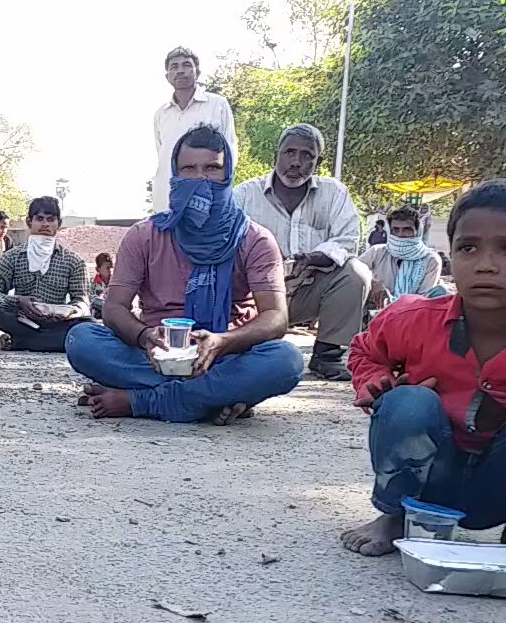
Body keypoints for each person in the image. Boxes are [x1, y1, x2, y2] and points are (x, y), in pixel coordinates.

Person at [67, 126, 304, 425]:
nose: (201, 179)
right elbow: (114, 308)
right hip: (156, 356)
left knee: (286, 362)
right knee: (81, 340)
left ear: (228, 173)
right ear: (175, 175)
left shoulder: (254, 239)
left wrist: (222, 341)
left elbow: (275, 317)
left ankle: (145, 401)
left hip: (226, 356)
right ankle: (216, 398)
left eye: (212, 169)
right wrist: (144, 337)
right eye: (189, 169)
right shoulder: (144, 235)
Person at [341, 180, 506, 556]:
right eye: (468, 248)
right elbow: (363, 352)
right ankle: (395, 513)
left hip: (496, 486)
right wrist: (380, 384)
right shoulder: (413, 318)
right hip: (432, 475)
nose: (486, 266)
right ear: (450, 256)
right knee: (409, 402)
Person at [234, 123, 370, 381]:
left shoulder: (334, 193)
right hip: (258, 293)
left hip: (310, 285)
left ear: (318, 162)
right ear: (277, 153)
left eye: (307, 155)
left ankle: (327, 355)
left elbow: (349, 238)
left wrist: (316, 257)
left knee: (356, 273)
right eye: (289, 152)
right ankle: (241, 344)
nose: (296, 162)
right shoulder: (244, 195)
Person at [0, 197, 90, 352]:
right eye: (39, 219)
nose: (45, 224)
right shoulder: (12, 256)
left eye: (50, 219)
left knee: (89, 325)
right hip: (23, 320)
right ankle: (53, 342)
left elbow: (82, 300)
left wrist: (69, 311)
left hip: (58, 322)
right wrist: (19, 301)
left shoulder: (74, 261)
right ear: (29, 222)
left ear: (58, 224)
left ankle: (22, 342)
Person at [152, 46, 236, 213]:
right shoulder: (161, 114)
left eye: (187, 65)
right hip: (168, 197)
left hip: (208, 195)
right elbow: (163, 155)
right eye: (174, 67)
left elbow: (229, 153)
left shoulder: (217, 104)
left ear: (197, 72)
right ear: (167, 76)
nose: (180, 71)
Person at [360, 205, 445, 310]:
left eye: (406, 230)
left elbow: (424, 298)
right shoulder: (376, 252)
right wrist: (373, 284)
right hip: (373, 315)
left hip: (412, 316)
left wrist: (392, 304)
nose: (400, 234)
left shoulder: (430, 259)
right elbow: (355, 273)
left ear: (417, 232)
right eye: (395, 229)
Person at [91, 252, 113, 319]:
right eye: (107, 268)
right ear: (98, 269)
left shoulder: (115, 281)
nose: (110, 270)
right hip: (99, 313)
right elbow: (92, 299)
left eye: (111, 267)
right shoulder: (94, 283)